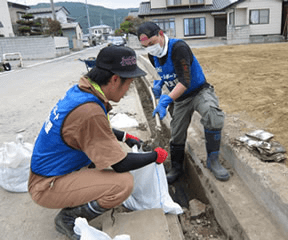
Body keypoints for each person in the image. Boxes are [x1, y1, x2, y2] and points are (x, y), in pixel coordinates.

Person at [28, 45, 168, 240]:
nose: (128, 89)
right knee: (123, 184)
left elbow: (92, 129)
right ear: (115, 79)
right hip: (46, 185)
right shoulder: (90, 110)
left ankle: (77, 193)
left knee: (105, 155)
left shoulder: (83, 91)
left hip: (51, 170)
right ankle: (68, 218)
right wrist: (155, 156)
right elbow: (120, 164)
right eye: (129, 83)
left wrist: (125, 137)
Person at [137, 22, 230, 184]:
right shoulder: (153, 55)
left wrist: (167, 100)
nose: (149, 48)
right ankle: (177, 167)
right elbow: (165, 73)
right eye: (145, 46)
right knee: (177, 133)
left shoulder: (178, 48)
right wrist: (160, 83)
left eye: (151, 43)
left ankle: (213, 160)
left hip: (198, 90)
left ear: (160, 34)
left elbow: (185, 81)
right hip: (180, 98)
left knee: (212, 114)